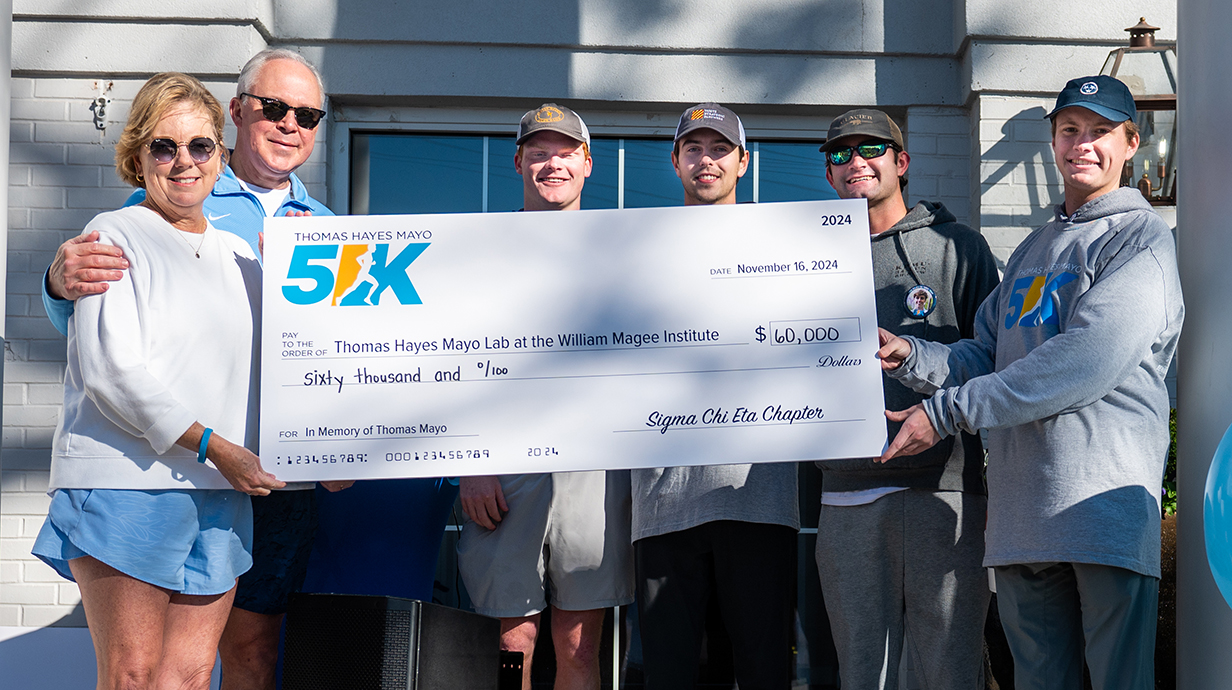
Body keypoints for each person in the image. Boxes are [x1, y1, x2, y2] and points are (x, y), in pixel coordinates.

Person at [39, 49, 351, 690]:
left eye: (308, 114)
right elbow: (104, 358)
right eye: (273, 107)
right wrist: (54, 281)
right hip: (148, 477)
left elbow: (310, 356)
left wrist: (331, 450)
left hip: (238, 484)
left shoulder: (316, 235)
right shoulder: (124, 225)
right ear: (239, 114)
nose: (184, 163)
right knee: (132, 674)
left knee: (194, 671)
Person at [878, 75, 1183, 689]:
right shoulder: (1031, 251)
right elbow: (987, 353)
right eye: (1070, 130)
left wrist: (944, 413)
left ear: (1131, 142)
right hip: (1023, 519)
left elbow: (1081, 363)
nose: (1083, 145)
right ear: (1052, 141)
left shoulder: (1140, 240)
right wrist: (910, 356)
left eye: (1100, 132)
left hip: (1103, 513)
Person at [815, 108, 999, 689]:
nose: (856, 163)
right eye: (841, 154)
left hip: (942, 491)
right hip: (845, 492)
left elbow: (993, 361)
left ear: (903, 162)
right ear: (828, 173)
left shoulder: (959, 247)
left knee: (947, 667)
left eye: (871, 150)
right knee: (862, 672)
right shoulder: (800, 256)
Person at [456, 103, 634, 690]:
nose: (551, 164)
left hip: (594, 468)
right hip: (505, 469)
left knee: (580, 643)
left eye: (564, 152)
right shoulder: (478, 252)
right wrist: (470, 463)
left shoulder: (626, 252)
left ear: (588, 163)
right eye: (539, 152)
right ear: (518, 163)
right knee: (514, 640)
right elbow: (451, 365)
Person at [631, 103, 798, 689]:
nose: (707, 160)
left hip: (759, 497)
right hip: (661, 500)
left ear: (743, 162)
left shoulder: (790, 249)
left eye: (720, 148)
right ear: (675, 160)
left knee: (761, 671)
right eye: (694, 148)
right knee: (670, 674)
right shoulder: (633, 249)